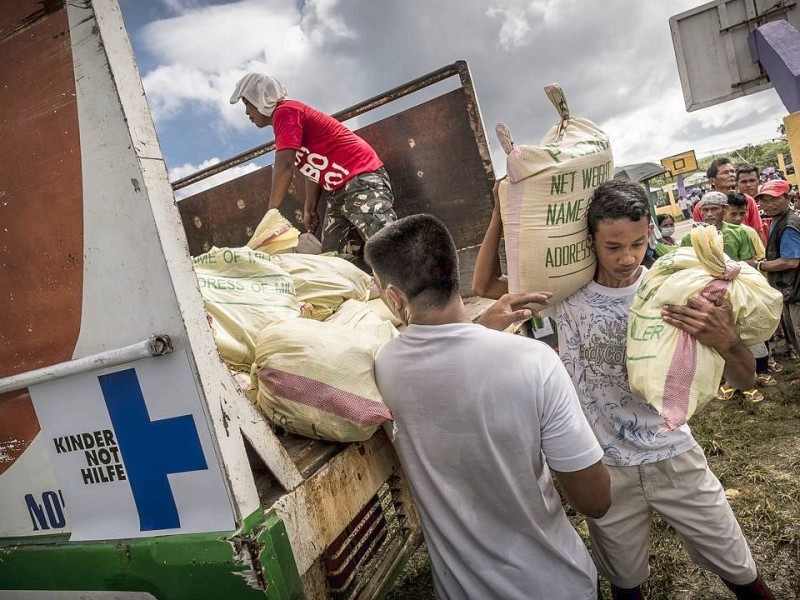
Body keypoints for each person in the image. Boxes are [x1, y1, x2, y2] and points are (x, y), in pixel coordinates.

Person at [473, 179, 774, 600]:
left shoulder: (673, 292)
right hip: (604, 467)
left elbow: (745, 380)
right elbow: (485, 285)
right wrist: (498, 213)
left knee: (742, 572)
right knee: (625, 583)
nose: (627, 258)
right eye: (613, 247)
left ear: (649, 232)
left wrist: (729, 341)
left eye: (636, 243)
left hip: (675, 456)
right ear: (590, 240)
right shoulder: (564, 294)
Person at [366, 214, 611, 600]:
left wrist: (480, 328)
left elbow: (441, 363)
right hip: (558, 585)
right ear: (453, 270)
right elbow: (596, 502)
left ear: (395, 297)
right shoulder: (534, 362)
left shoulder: (382, 368)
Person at [229, 73, 397, 256]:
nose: (247, 112)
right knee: (334, 256)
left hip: (361, 179)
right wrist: (310, 207)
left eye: (247, 103)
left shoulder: (286, 112)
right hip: (339, 192)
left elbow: (284, 166)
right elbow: (313, 169)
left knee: (385, 244)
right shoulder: (285, 121)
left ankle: (418, 282)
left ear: (260, 97)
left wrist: (271, 212)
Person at [755, 179, 800, 361]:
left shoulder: (788, 224)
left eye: (774, 199)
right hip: (790, 289)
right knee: (794, 334)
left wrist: (759, 265)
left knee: (798, 331)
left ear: (787, 198)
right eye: (764, 200)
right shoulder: (778, 219)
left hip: (796, 290)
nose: (768, 204)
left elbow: (791, 261)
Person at [694, 158, 763, 234]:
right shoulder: (701, 206)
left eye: (732, 171)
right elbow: (700, 235)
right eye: (725, 172)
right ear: (712, 181)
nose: (731, 175)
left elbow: (757, 231)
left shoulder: (747, 200)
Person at [736, 164, 768, 243]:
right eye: (744, 182)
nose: (748, 185)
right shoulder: (733, 206)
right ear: (737, 184)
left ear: (759, 182)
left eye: (752, 181)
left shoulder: (771, 201)